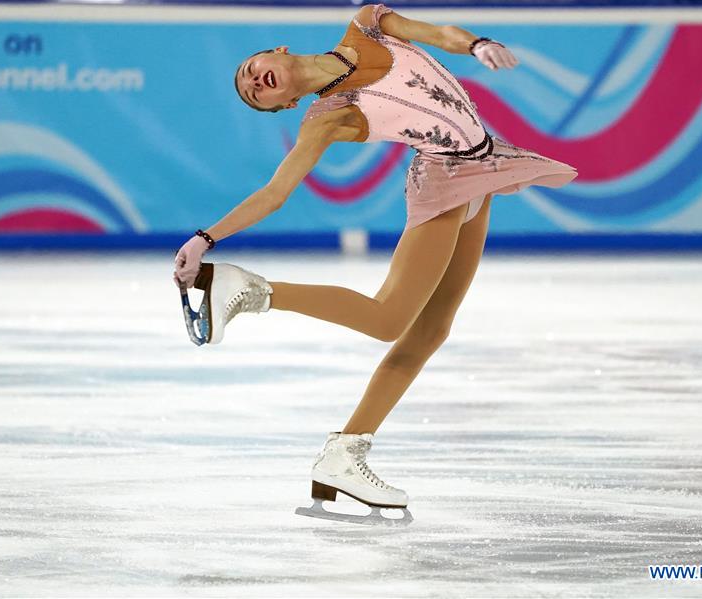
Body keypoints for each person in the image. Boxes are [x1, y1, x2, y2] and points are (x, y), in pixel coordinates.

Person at [173, 3, 577, 524]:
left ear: (275, 51)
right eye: (256, 95)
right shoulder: (327, 117)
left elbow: (436, 33)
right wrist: (207, 239)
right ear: (288, 102)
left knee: (432, 330)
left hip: (484, 163)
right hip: (443, 181)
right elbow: (275, 194)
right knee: (389, 320)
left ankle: (346, 453)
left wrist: (477, 44)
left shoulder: (365, 25)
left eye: (251, 72)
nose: (255, 82)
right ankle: (253, 291)